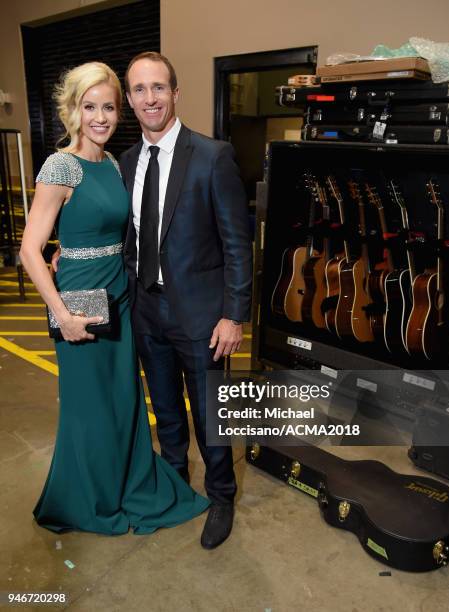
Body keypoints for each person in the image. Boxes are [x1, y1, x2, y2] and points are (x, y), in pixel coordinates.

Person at [19, 61, 209, 535]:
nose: (100, 116)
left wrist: (70, 246)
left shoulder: (113, 164)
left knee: (124, 402)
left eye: (108, 106)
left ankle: (126, 483)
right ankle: (87, 499)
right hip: (78, 306)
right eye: (90, 107)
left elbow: (113, 228)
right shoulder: (61, 165)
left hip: (120, 301)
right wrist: (61, 314)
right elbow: (28, 248)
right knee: (90, 410)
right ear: (73, 111)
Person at [119, 52, 252, 549]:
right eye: (139, 89)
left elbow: (237, 243)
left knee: (210, 414)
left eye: (158, 87)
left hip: (202, 317)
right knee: (167, 412)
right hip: (146, 311)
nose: (149, 98)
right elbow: (128, 235)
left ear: (175, 93)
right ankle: (173, 483)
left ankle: (221, 496)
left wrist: (233, 315)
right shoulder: (128, 162)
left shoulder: (213, 156)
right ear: (130, 99)